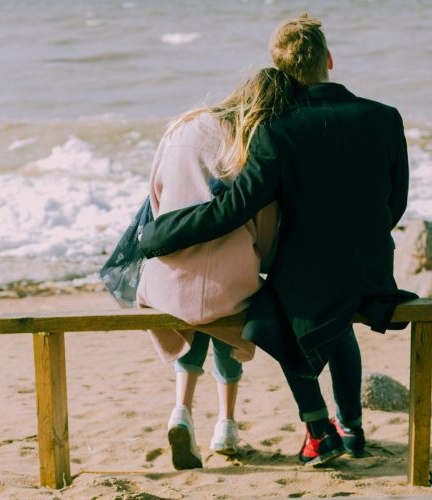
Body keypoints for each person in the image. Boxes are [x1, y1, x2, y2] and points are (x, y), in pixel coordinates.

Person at [139, 13, 415, 467]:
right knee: (338, 317)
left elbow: (233, 209)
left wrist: (158, 235)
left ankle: (316, 430)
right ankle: (352, 428)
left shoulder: (277, 131)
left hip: (309, 281)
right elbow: (396, 203)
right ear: (328, 59)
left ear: (279, 68)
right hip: (372, 272)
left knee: (272, 316)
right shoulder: (385, 117)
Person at [137, 68, 298, 470]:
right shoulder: (249, 145)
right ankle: (226, 423)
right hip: (227, 285)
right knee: (230, 304)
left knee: (194, 311)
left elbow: (155, 198)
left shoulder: (183, 126)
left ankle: (181, 410)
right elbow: (263, 225)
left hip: (168, 280)